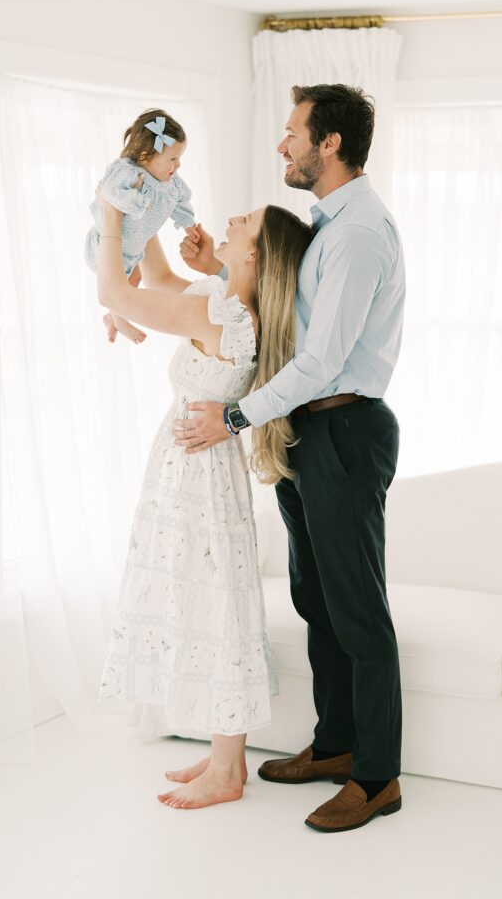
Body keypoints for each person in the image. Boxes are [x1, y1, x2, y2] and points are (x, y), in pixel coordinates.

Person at [175, 83, 406, 832]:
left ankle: (376, 778)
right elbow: (279, 307)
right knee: (317, 602)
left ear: (329, 143)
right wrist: (218, 268)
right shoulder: (325, 226)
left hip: (344, 429)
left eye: (292, 132)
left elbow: (322, 358)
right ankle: (336, 745)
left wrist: (234, 417)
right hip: (309, 431)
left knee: (357, 611)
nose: (282, 144)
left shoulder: (358, 233)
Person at [95, 188, 314, 810]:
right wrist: (154, 211)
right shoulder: (226, 306)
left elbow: (118, 294)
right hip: (192, 471)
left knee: (216, 609)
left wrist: (112, 213)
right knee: (211, 604)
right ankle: (227, 759)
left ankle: (226, 771)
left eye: (246, 224)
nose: (233, 219)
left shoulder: (223, 320)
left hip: (197, 479)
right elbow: (160, 279)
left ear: (255, 256)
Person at [84, 108, 197, 345]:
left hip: (133, 250)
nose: (177, 165)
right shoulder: (127, 172)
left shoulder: (170, 181)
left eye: (179, 158)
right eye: (173, 159)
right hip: (110, 247)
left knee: (135, 279)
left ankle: (112, 317)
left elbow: (181, 199)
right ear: (145, 156)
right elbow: (109, 191)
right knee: (121, 290)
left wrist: (188, 224)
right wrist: (135, 202)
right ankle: (118, 319)